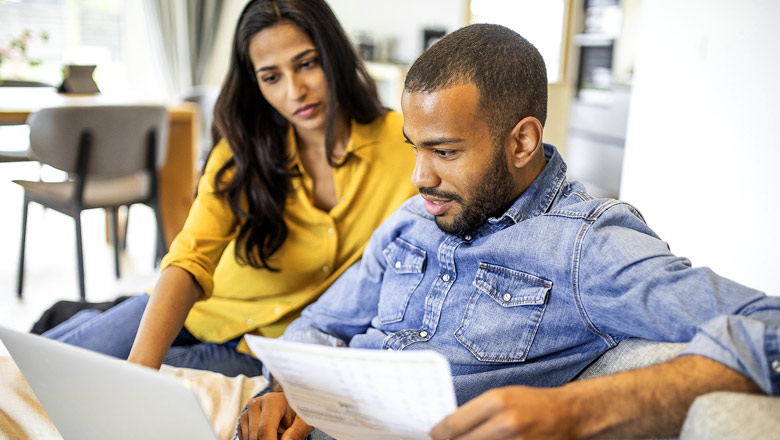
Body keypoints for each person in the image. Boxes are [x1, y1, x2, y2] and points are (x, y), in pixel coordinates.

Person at [234, 23, 780, 439]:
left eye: (445, 151)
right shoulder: (411, 223)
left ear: (521, 142)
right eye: (415, 148)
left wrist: (573, 409)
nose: (419, 178)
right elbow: (318, 324)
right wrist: (284, 390)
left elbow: (769, 326)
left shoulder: (586, 246)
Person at [41, 0, 417, 377]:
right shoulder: (242, 150)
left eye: (307, 64)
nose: (295, 90)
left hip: (267, 347)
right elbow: (190, 258)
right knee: (44, 371)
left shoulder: (407, 146)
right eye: (272, 77)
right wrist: (140, 369)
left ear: (334, 55)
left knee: (94, 382)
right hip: (197, 310)